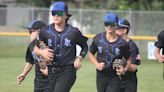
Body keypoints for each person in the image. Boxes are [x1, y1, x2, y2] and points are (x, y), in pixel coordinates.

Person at [33, 1, 88, 92]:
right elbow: (35, 48)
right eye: (54, 13)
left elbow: (85, 47)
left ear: (66, 15)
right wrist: (42, 52)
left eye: (59, 13)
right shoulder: (45, 31)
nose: (56, 16)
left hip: (67, 71)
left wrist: (79, 58)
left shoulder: (73, 32)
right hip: (51, 70)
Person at [87, 12, 131, 92]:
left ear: (116, 25)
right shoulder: (98, 38)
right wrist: (96, 64)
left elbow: (128, 59)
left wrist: (124, 69)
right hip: (101, 75)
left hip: (114, 76)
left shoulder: (123, 43)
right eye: (107, 24)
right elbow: (90, 54)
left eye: (112, 24)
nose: (109, 26)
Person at [17, 20, 49, 92]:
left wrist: (49, 72)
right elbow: (30, 61)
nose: (29, 34)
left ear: (39, 32)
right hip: (38, 84)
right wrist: (23, 74)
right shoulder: (31, 46)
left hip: (51, 83)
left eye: (31, 31)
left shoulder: (50, 45)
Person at [116, 18, 141, 92]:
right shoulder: (114, 44)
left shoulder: (132, 46)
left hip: (128, 81)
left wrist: (121, 65)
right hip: (115, 80)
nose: (115, 30)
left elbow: (133, 67)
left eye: (118, 28)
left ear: (124, 30)